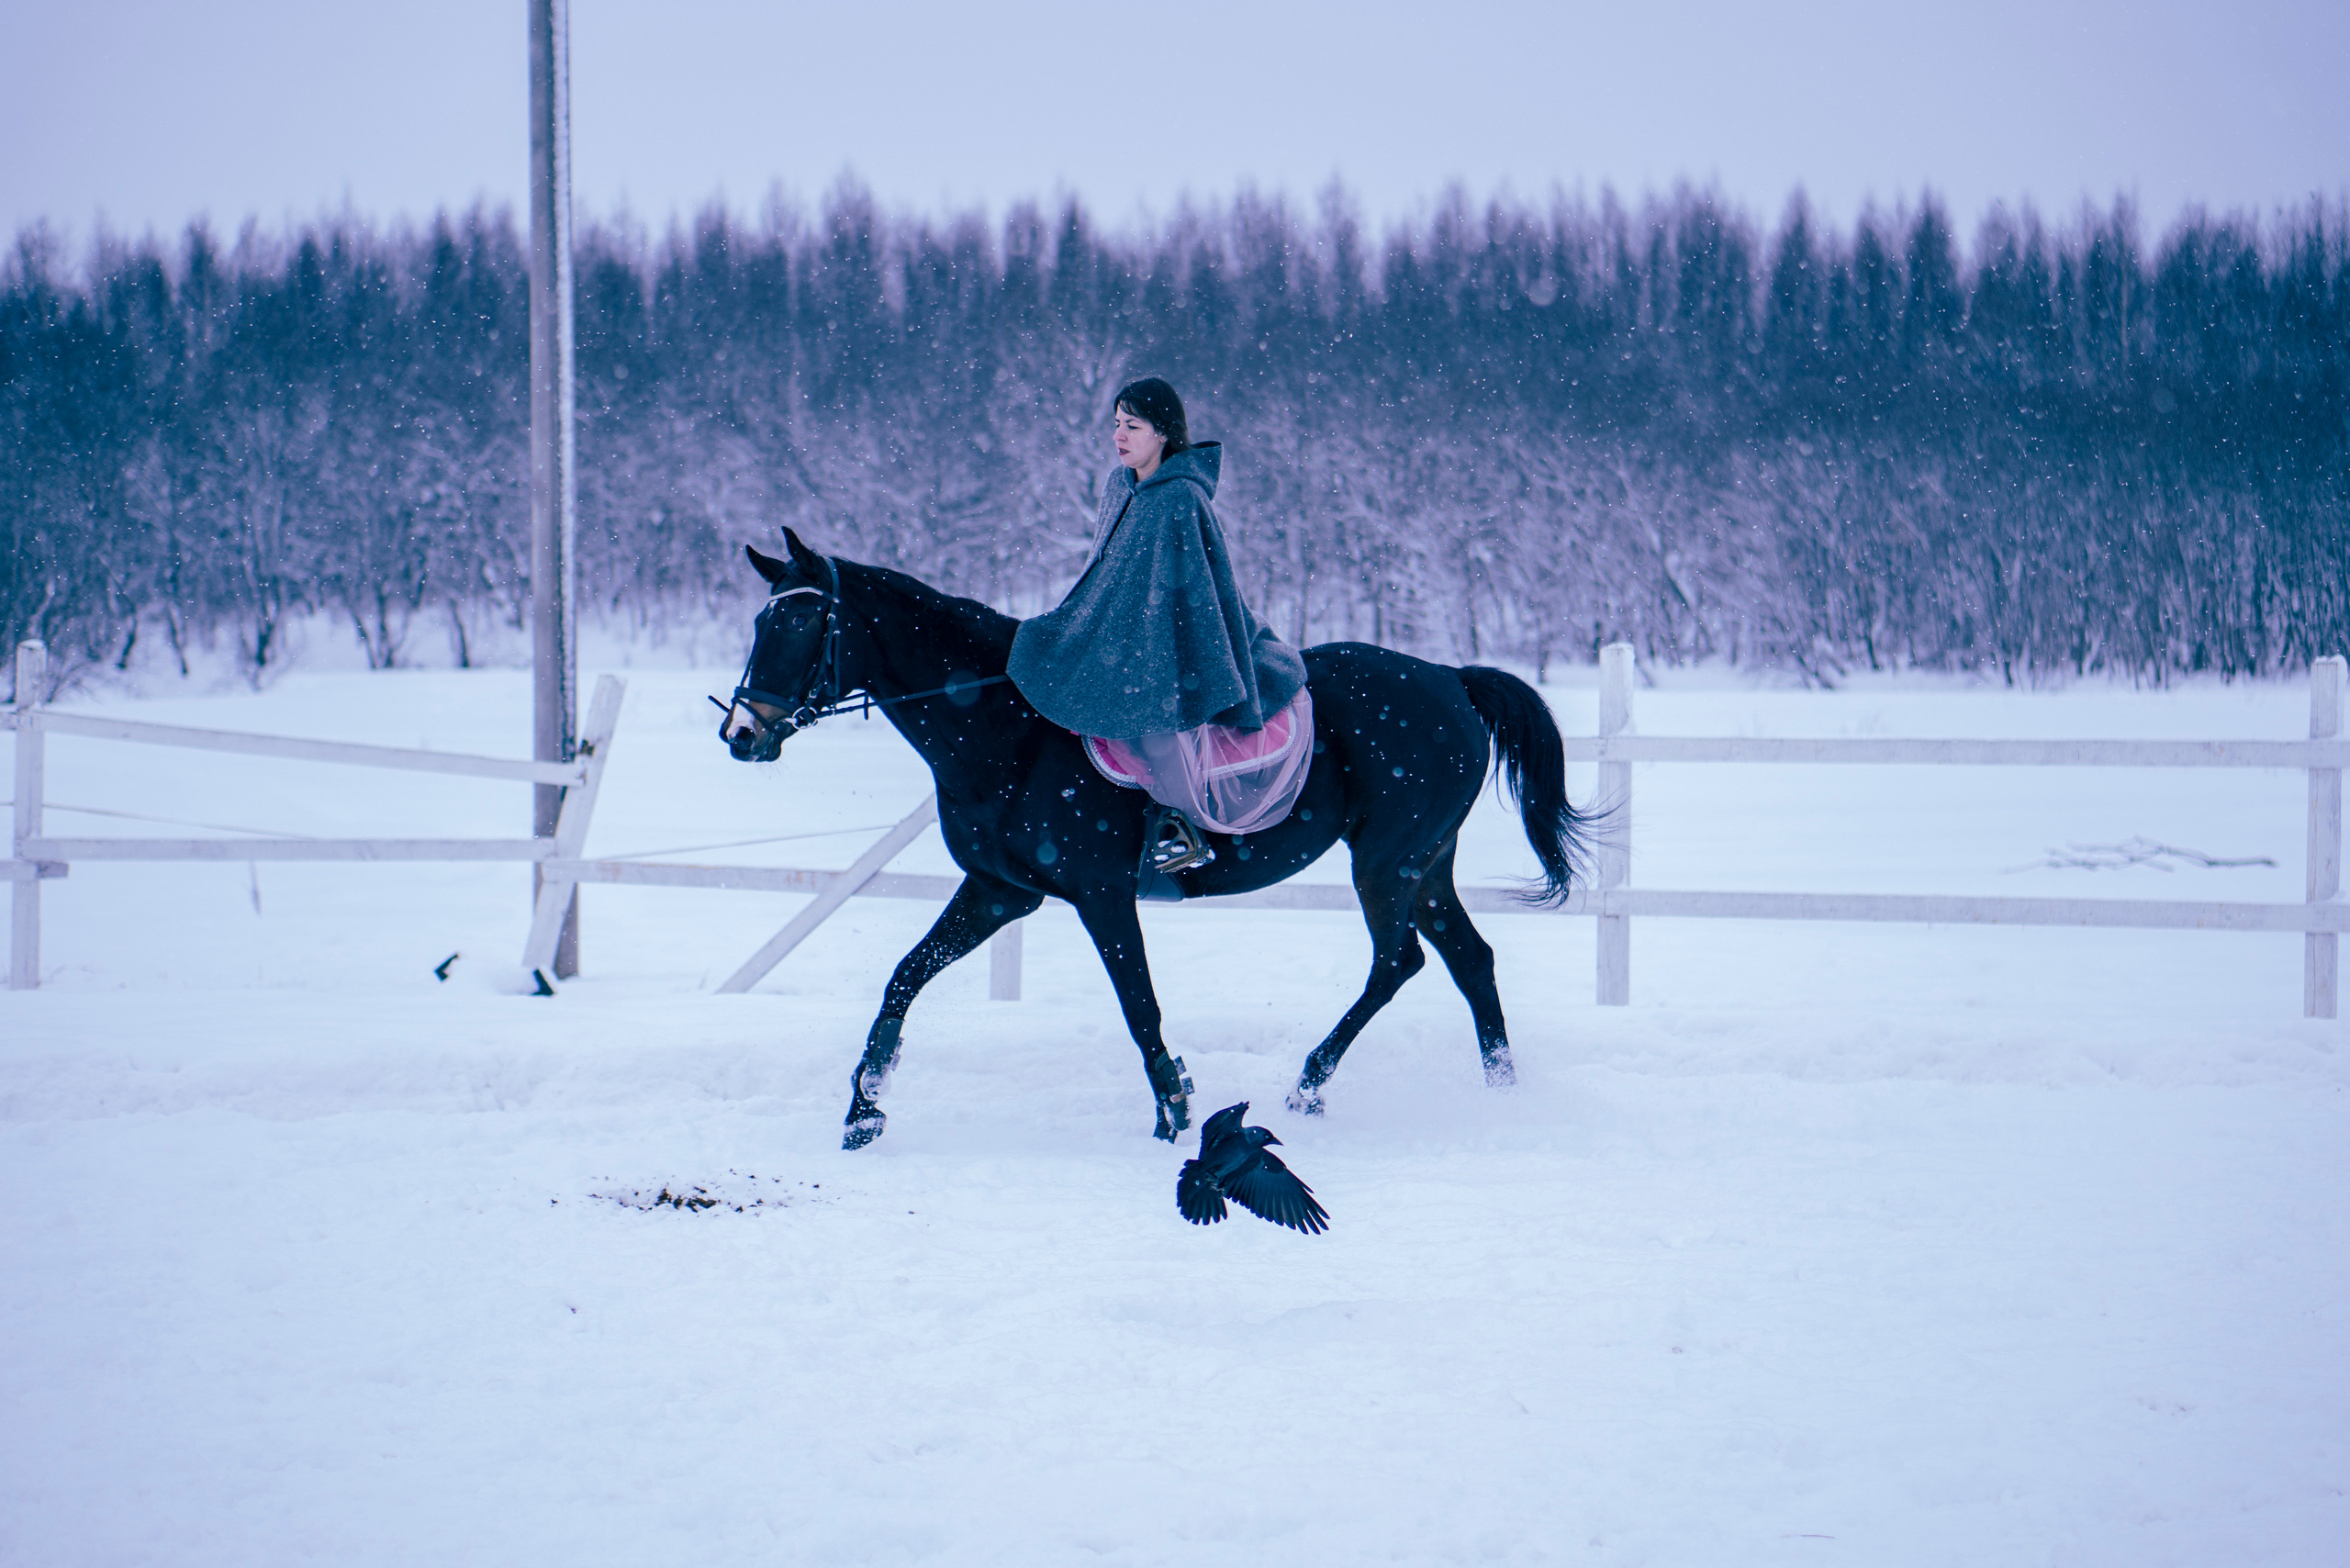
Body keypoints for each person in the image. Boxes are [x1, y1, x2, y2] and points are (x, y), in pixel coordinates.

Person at [1007, 377, 1311, 887]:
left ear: (1164, 433)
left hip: (1180, 643)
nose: (1119, 436)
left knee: (1156, 720)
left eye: (1133, 425)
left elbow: (1197, 591)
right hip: (1129, 640)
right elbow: (1106, 574)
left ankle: (1184, 826)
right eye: (1116, 425)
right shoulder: (1118, 487)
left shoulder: (1180, 499)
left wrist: (1151, 651)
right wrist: (1079, 627)